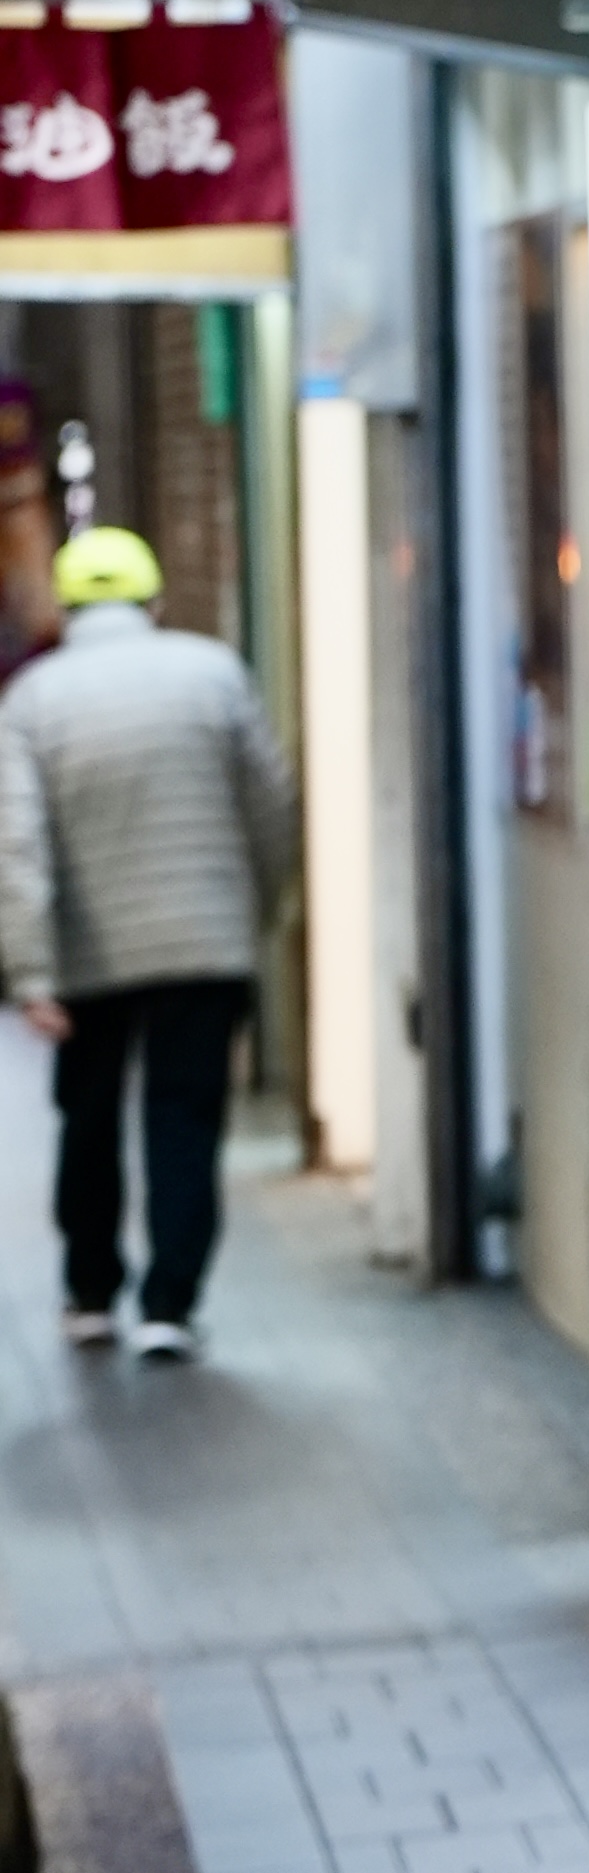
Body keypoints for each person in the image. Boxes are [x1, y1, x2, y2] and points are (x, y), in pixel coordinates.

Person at [0, 524, 299, 1362]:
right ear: (154, 602)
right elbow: (272, 806)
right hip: (204, 943)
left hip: (86, 957)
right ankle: (171, 1301)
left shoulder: (32, 699)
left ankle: (92, 1290)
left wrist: (31, 970)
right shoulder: (215, 673)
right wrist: (259, 911)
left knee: (88, 1118)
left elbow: (16, 844)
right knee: (186, 1115)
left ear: (65, 610)